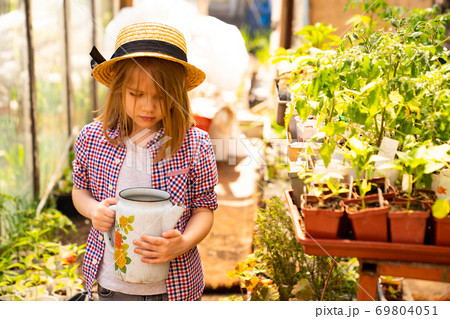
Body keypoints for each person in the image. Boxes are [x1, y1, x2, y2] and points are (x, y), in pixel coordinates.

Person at [72, 22, 218, 301]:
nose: (147, 107)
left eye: (160, 97)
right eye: (136, 94)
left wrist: (183, 243)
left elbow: (204, 209)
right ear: (117, 89)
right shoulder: (92, 138)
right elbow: (80, 191)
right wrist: (94, 210)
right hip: (114, 286)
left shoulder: (195, 144)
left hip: (175, 287)